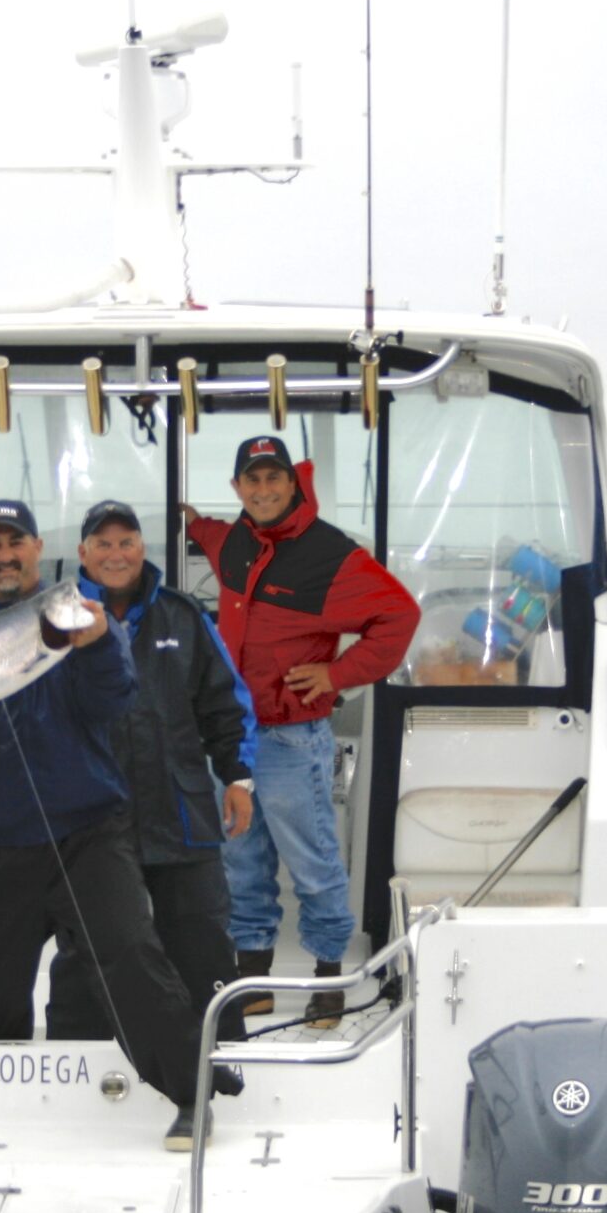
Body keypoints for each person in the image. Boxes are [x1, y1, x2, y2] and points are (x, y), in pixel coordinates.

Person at [0, 495, 240, 1149]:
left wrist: (90, 646)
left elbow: (116, 694)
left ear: (38, 551)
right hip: (1, 842)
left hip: (90, 835)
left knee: (133, 962)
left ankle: (193, 1094)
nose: (6, 555)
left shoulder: (85, 624)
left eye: (17, 543)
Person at [183, 436, 422, 1026]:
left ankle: (330, 980)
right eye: (251, 479)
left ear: (292, 483)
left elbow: (400, 615)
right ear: (238, 488)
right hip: (232, 739)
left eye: (273, 478)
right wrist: (189, 523)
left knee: (314, 863)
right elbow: (209, 536)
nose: (263, 490)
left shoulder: (330, 556)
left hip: (292, 739)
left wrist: (337, 672)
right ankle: (254, 978)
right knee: (242, 862)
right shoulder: (234, 540)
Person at [45, 498, 258, 1050]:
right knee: (87, 945)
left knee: (203, 940)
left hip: (180, 813)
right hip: (91, 819)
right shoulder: (54, 622)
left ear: (142, 549)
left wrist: (238, 777)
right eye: (104, 544)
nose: (116, 554)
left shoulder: (183, 616)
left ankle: (223, 1058)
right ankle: (79, 1059)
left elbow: (224, 703)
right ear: (83, 554)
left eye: (126, 542)